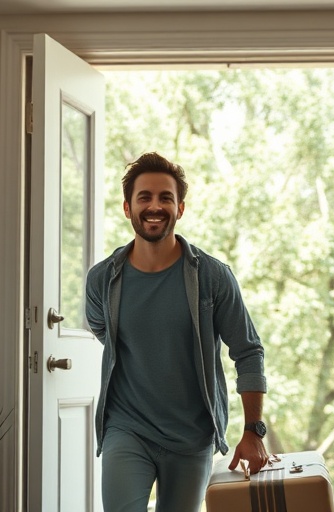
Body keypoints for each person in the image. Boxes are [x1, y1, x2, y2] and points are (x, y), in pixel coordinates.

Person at [85, 152, 269, 512]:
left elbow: (248, 351)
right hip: (127, 429)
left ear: (180, 208)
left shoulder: (213, 278)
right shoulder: (102, 279)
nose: (155, 206)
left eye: (165, 197)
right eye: (145, 197)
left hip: (191, 435)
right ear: (127, 208)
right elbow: (100, 327)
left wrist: (253, 431)